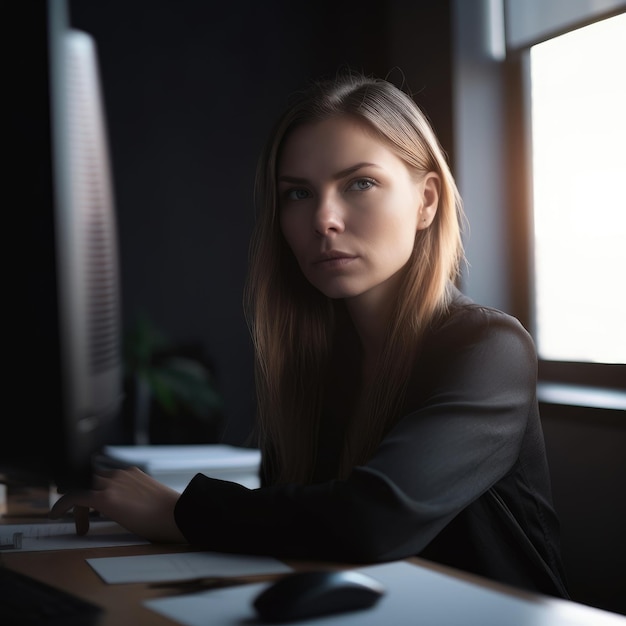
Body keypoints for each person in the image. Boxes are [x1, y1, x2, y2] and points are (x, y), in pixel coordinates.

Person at [51, 73, 568, 598]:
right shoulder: (314, 362)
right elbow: (303, 522)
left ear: (426, 201)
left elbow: (373, 520)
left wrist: (179, 510)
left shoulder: (488, 349)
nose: (323, 219)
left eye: (359, 183)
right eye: (298, 193)